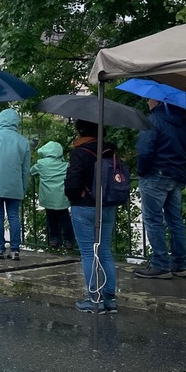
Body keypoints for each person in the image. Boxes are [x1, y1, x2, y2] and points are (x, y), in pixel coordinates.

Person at [134, 98, 186, 279]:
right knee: (175, 220)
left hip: (155, 176)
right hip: (176, 175)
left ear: (157, 101)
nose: (147, 102)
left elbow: (144, 149)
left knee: (153, 220)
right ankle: (181, 264)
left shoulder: (153, 120)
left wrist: (141, 171)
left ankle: (161, 264)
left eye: (149, 99)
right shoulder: (183, 122)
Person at [66, 120, 118, 313]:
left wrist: (72, 195)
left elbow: (73, 183)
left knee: (89, 253)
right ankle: (110, 299)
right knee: (104, 251)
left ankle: (94, 298)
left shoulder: (80, 152)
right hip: (107, 205)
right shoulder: (110, 151)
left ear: (81, 131)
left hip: (84, 206)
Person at [0, 108, 31, 260]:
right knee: (14, 217)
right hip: (15, 184)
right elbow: (26, 169)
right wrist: (23, 187)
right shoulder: (23, 141)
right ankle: (15, 249)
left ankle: (0, 249)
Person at [30, 140, 73, 250]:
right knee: (65, 218)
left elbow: (31, 171)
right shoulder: (66, 165)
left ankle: (54, 239)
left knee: (51, 218)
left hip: (48, 197)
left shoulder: (41, 164)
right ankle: (68, 240)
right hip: (62, 197)